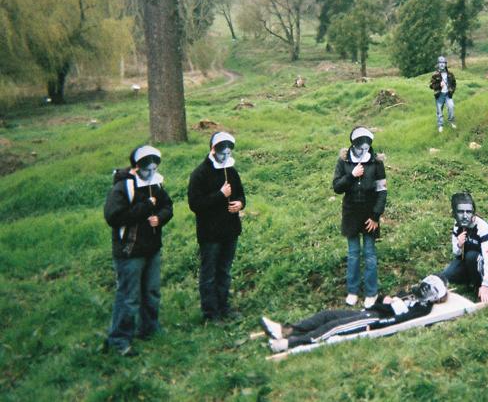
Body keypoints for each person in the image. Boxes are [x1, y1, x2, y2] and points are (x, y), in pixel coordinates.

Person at [103, 145, 174, 356]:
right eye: (146, 169)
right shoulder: (123, 187)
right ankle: (119, 341)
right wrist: (146, 207)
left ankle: (149, 329)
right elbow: (114, 217)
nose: (151, 173)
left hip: (152, 248)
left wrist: (160, 217)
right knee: (129, 297)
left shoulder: (156, 183)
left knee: (152, 292)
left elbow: (167, 206)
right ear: (135, 167)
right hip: (130, 251)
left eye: (154, 168)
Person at [260, 275, 448, 352]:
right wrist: (386, 299)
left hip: (375, 320)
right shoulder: (410, 293)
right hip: (369, 312)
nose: (422, 288)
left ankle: (289, 343)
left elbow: (396, 320)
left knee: (334, 327)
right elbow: (382, 299)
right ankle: (286, 330)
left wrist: (376, 322)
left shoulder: (422, 308)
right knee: (327, 315)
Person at [187, 132, 247, 322]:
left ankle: (224, 307)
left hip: (230, 230)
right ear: (213, 150)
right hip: (210, 233)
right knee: (209, 274)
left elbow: (241, 194)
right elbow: (195, 204)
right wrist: (220, 195)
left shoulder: (231, 170)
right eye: (222, 154)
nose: (226, 157)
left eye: (228, 153)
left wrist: (240, 204)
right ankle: (211, 313)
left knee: (224, 271)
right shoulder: (200, 174)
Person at [332, 126, 387, 308]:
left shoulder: (376, 162)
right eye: (360, 145)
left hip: (370, 215)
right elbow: (337, 187)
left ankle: (371, 292)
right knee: (353, 254)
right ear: (353, 144)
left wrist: (375, 216)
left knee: (370, 254)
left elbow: (382, 191)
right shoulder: (344, 161)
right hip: (351, 214)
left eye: (366, 145)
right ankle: (353, 291)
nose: (363, 148)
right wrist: (351, 175)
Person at [440, 192, 488, 303]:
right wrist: (459, 244)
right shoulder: (457, 225)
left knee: (471, 256)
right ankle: (469, 280)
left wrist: (486, 284)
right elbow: (456, 253)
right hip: (466, 261)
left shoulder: (482, 227)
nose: (465, 216)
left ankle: (478, 285)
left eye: (468, 212)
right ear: (454, 213)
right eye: (461, 212)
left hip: (482, 262)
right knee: (447, 274)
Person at [428, 55, 457, 133]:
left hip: (448, 94)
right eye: (440, 63)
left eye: (443, 63)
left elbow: (454, 83)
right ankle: (440, 125)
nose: (442, 64)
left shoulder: (450, 74)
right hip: (439, 95)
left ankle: (451, 121)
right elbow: (431, 85)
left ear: (445, 64)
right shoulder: (435, 75)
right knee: (439, 111)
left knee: (451, 107)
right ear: (438, 64)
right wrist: (439, 85)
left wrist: (451, 91)